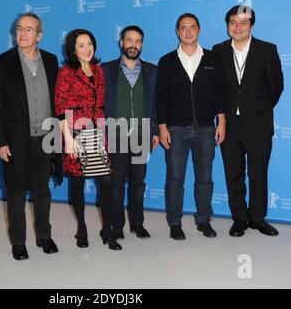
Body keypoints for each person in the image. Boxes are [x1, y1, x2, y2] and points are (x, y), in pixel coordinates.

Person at [0, 12, 63, 261]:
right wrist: (0, 141)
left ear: (39, 35)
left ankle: (44, 235)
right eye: (19, 28)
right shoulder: (1, 63)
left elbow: (59, 102)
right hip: (15, 139)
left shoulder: (52, 61)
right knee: (16, 193)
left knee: (42, 190)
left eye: (29, 29)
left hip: (46, 138)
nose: (22, 33)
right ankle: (19, 242)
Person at [212, 5, 284, 237]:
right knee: (233, 172)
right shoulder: (218, 50)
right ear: (228, 26)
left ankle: (258, 217)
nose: (237, 27)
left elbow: (276, 86)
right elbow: (216, 90)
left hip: (258, 123)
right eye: (233, 22)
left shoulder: (267, 49)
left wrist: (260, 108)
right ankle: (240, 219)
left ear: (251, 25)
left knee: (258, 172)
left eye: (243, 22)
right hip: (229, 125)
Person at [156, 13, 226, 241]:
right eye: (183, 27)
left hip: (206, 128)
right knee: (175, 177)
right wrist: (163, 127)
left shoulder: (213, 59)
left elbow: (219, 93)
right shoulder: (167, 61)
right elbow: (162, 97)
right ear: (177, 31)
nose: (188, 31)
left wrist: (221, 121)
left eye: (192, 27)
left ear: (199, 30)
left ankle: (203, 220)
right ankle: (175, 222)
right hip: (176, 128)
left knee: (205, 177)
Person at [55, 29, 122, 251]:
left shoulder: (98, 70)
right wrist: (69, 139)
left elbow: (102, 104)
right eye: (81, 45)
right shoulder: (65, 72)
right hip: (75, 133)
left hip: (98, 133)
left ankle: (109, 230)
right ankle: (82, 228)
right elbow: (61, 108)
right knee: (78, 183)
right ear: (73, 49)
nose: (87, 48)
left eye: (90, 43)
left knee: (106, 183)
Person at [102, 25, 159, 239]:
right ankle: (117, 226)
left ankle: (137, 224)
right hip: (115, 134)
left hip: (142, 134)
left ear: (142, 44)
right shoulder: (106, 70)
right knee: (116, 183)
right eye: (129, 40)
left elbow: (155, 103)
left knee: (138, 183)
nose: (133, 45)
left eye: (137, 41)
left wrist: (154, 130)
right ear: (121, 43)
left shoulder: (152, 71)